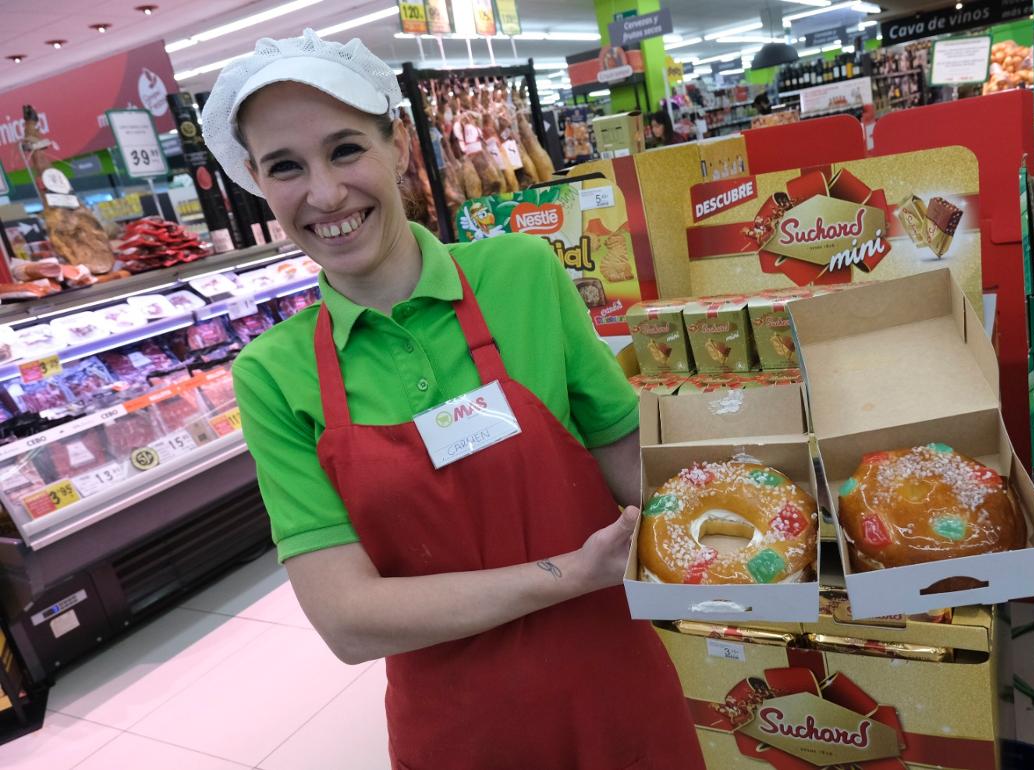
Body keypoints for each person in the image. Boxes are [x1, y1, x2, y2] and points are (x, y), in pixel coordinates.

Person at [202, 30, 704, 770]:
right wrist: (571, 573)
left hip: (615, 694)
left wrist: (779, 538)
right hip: (458, 732)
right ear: (255, 179)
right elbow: (348, 621)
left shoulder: (523, 272)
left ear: (399, 144)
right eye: (285, 167)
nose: (325, 193)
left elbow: (629, 462)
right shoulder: (273, 375)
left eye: (346, 149)